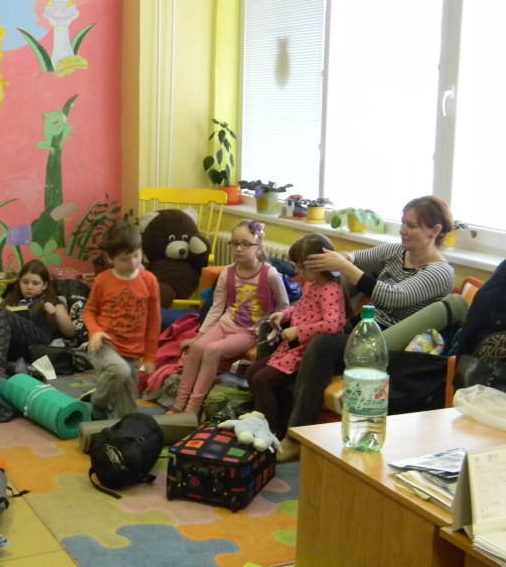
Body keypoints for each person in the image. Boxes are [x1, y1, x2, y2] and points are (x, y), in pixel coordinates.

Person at [278, 195, 455, 462]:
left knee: (322, 344)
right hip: (365, 328)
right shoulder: (396, 252)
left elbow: (392, 297)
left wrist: (345, 266)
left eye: (411, 226)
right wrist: (337, 259)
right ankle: (275, 420)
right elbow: (355, 258)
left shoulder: (441, 272)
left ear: (435, 231)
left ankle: (296, 437)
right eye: (403, 223)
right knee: (295, 330)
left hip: (392, 346)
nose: (403, 230)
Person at [168, 220, 290, 416]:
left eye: (246, 244)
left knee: (212, 351)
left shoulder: (270, 274)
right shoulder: (228, 273)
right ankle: (179, 402)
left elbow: (284, 306)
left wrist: (273, 327)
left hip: (248, 332)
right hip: (226, 323)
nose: (239, 249)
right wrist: (198, 336)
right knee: (197, 348)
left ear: (259, 248)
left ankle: (192, 409)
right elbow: (216, 308)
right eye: (235, 243)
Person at [244, 233, 347, 438]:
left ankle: (270, 431)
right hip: (290, 350)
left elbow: (332, 325)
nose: (298, 272)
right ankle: (274, 418)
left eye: (301, 267)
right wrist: (284, 314)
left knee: (262, 380)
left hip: (304, 354)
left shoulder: (331, 289)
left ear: (318, 265)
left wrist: (298, 331)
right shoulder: (314, 286)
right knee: (252, 373)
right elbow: (300, 307)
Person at [83, 221, 161, 419]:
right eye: (125, 259)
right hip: (104, 346)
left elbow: (154, 321)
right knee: (119, 370)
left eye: (137, 255)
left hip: (132, 354)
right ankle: (99, 402)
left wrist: (150, 356)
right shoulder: (102, 280)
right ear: (110, 258)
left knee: (127, 416)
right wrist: (95, 331)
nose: (133, 262)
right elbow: (89, 311)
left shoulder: (150, 281)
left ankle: (106, 402)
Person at [0, 259, 76, 387]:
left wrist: (55, 311)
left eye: (35, 283)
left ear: (44, 285)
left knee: (2, 313)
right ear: (19, 283)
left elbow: (70, 331)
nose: (29, 287)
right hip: (11, 344)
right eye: (25, 282)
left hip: (38, 339)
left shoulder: (52, 300)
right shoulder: (12, 300)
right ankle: (12, 366)